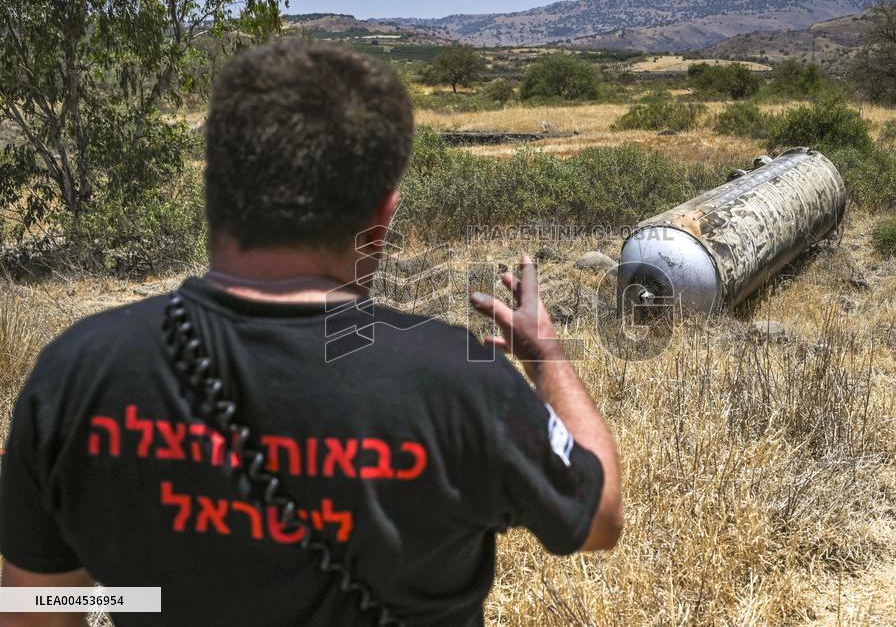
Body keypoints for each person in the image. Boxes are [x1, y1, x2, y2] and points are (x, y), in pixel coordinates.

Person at [0, 40, 623, 626]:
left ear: (213, 189)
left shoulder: (75, 372)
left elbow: (34, 604)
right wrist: (546, 355)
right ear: (381, 218)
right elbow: (598, 519)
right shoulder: (462, 382)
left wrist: (132, 597)